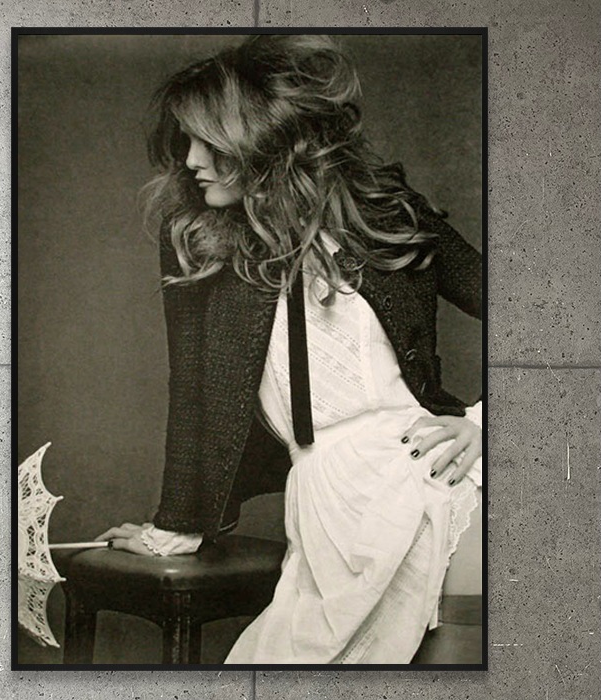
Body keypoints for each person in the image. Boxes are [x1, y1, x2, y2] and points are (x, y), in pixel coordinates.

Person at [96, 34, 483, 664]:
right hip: (329, 498)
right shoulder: (198, 240)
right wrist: (176, 525)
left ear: (263, 141)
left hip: (435, 478)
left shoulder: (385, 211)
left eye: (209, 143)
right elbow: (191, 390)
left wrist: (484, 423)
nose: (190, 160)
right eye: (187, 142)